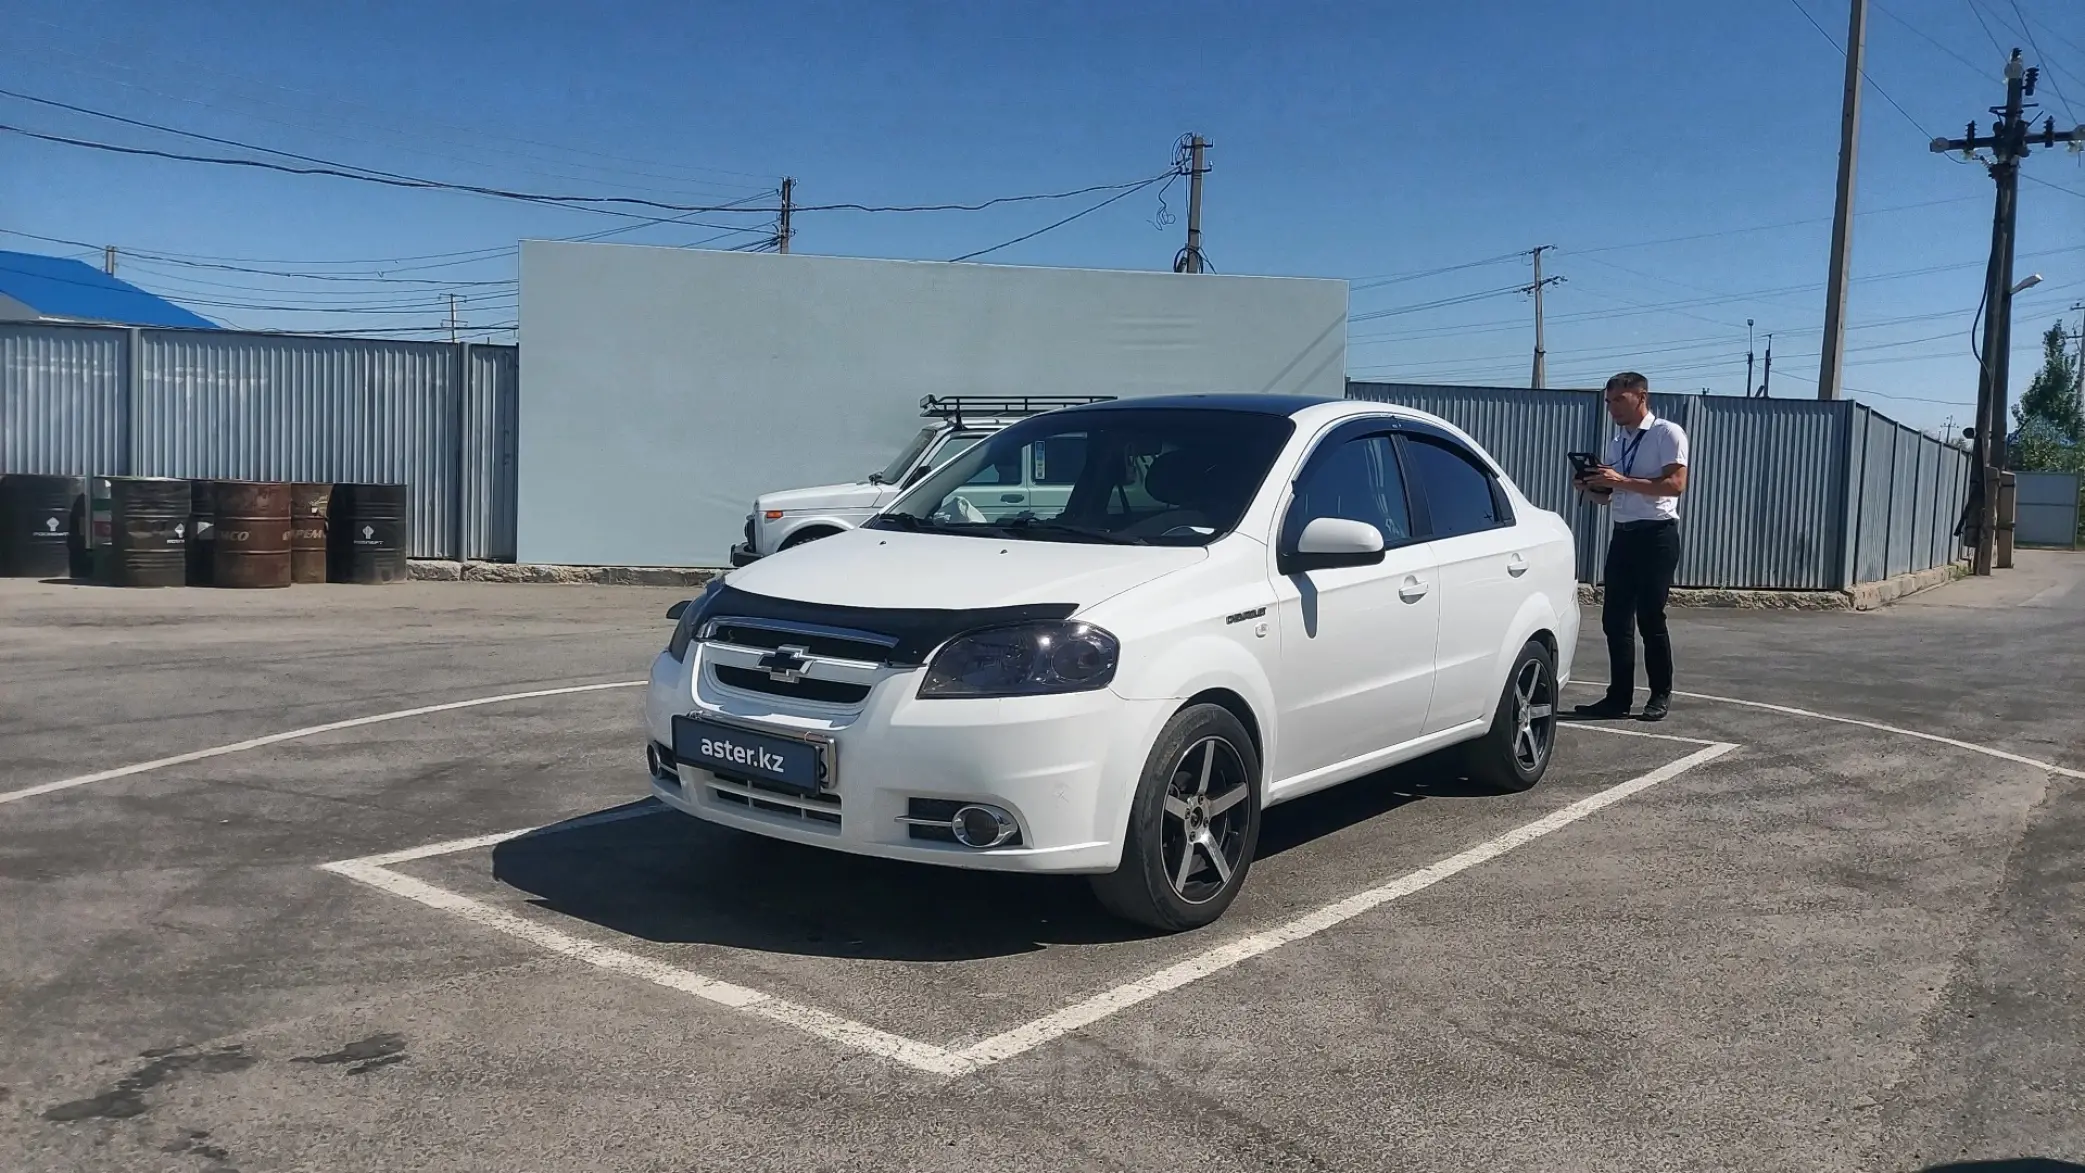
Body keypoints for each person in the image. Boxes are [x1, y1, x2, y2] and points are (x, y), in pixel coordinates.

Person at [1572, 371, 1689, 722]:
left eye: (1619, 401)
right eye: (1608, 403)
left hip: (1656, 535)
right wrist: (1591, 487)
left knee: (1651, 617)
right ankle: (1618, 697)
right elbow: (1609, 498)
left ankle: (1660, 694)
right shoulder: (1616, 442)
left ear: (1641, 397)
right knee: (1614, 620)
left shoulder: (1666, 433)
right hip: (1623, 534)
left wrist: (1620, 480)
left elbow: (1676, 484)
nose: (1612, 409)